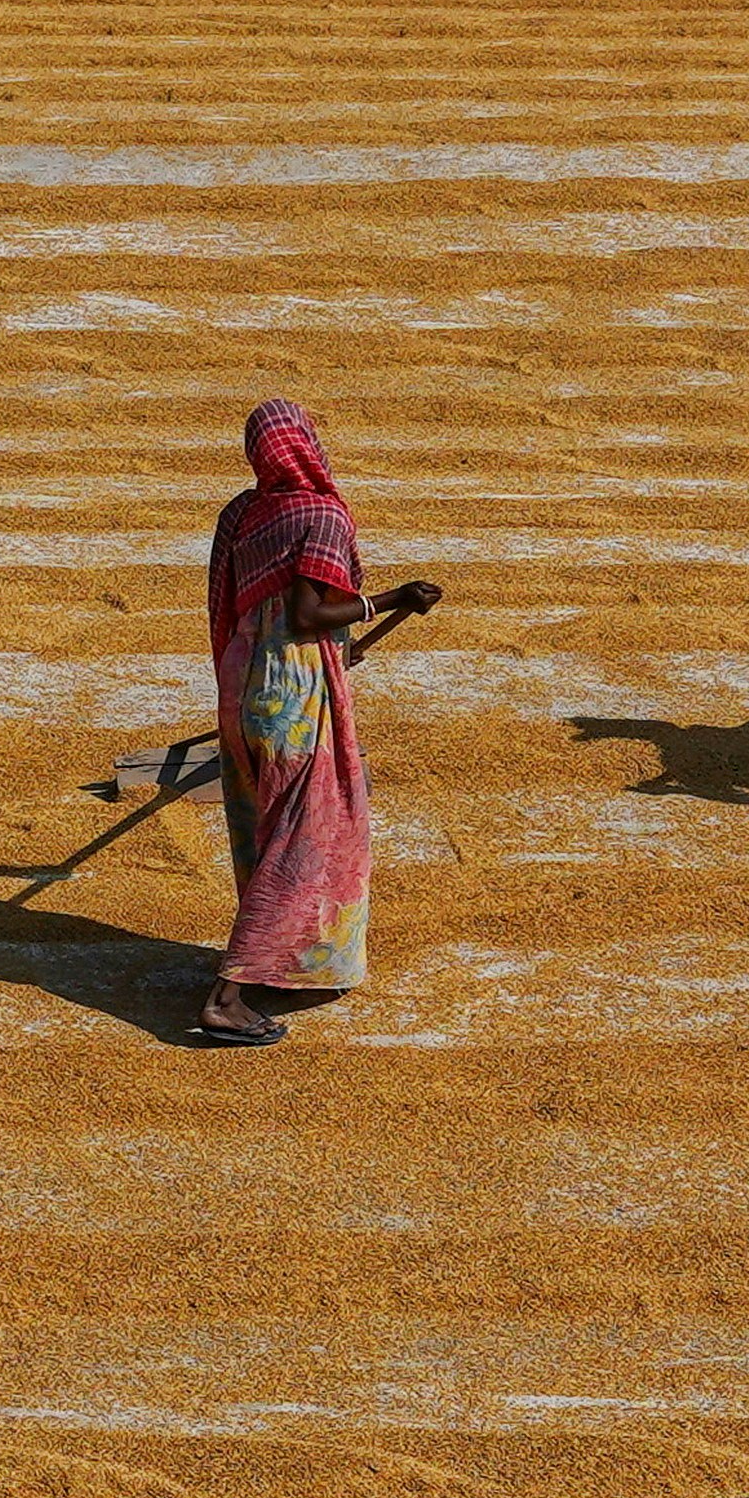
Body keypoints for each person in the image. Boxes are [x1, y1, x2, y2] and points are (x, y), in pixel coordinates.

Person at [190, 399, 440, 1047]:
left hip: (246, 689)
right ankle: (229, 995)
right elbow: (305, 614)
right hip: (295, 702)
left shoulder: (242, 515)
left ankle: (292, 965)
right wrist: (391, 599)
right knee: (302, 845)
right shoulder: (319, 513)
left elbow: (252, 610)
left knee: (266, 832)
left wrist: (335, 654)